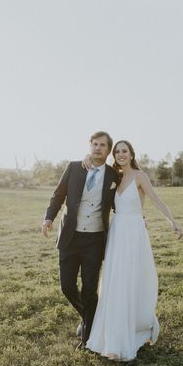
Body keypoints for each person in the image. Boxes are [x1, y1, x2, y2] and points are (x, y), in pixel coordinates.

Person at [85, 140, 183, 361]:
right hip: (117, 232)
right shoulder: (113, 176)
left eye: (124, 151)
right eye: (117, 151)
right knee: (114, 281)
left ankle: (129, 334)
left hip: (134, 234)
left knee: (129, 281)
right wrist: (87, 159)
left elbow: (157, 200)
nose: (121, 154)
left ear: (131, 154)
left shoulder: (140, 176)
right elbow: (94, 167)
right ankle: (109, 335)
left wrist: (172, 222)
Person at [42, 132, 119, 347]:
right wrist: (48, 218)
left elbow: (118, 202)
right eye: (95, 144)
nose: (97, 148)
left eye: (102, 145)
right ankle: (90, 318)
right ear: (90, 146)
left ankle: (87, 338)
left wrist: (136, 217)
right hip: (70, 237)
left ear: (108, 150)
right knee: (67, 286)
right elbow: (58, 195)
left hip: (95, 240)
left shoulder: (114, 175)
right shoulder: (74, 167)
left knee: (89, 288)